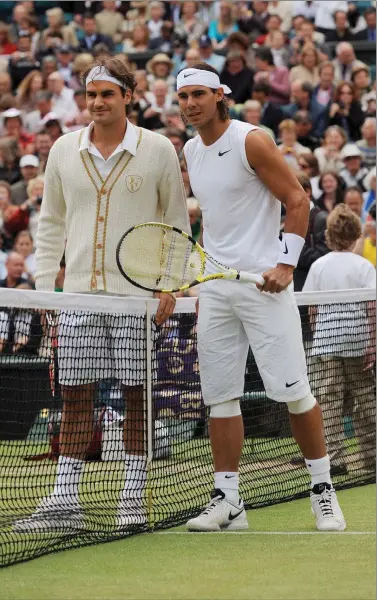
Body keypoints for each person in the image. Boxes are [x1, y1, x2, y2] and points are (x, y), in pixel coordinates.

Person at [14, 55, 189, 532]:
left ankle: (132, 499)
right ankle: (63, 500)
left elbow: (176, 223)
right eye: (91, 95)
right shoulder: (62, 150)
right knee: (74, 397)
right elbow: (49, 223)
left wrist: (169, 284)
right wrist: (44, 285)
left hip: (136, 298)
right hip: (75, 298)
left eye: (107, 94)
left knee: (137, 397)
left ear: (128, 96)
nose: (97, 103)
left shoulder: (158, 149)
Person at [176, 62, 346, 532]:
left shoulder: (251, 139)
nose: (190, 104)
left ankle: (322, 490)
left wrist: (286, 264)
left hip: (264, 286)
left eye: (198, 95)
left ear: (219, 96)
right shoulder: (191, 149)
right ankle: (228, 501)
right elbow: (214, 222)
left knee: (295, 392)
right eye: (183, 96)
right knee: (221, 397)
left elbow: (297, 199)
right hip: (216, 289)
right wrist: (197, 274)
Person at [303, 205, 376, 474]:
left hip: (328, 344)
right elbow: (372, 308)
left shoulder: (319, 266)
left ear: (329, 235)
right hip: (358, 341)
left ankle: (335, 460)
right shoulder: (364, 266)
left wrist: (319, 333)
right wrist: (373, 344)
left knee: (330, 401)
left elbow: (312, 308)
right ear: (356, 234)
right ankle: (372, 458)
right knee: (365, 399)